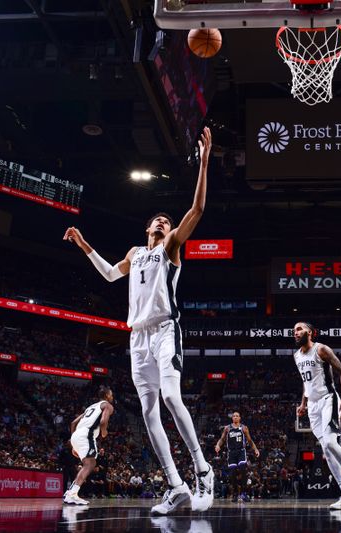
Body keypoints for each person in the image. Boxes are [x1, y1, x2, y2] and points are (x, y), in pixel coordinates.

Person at [63, 127, 214, 515]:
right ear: (147, 229)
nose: (163, 223)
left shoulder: (171, 249)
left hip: (165, 329)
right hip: (137, 338)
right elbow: (112, 275)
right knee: (148, 413)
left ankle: (202, 468)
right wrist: (84, 246)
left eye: (167, 221)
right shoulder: (134, 252)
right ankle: (176, 485)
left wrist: (205, 162)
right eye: (158, 220)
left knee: (170, 397)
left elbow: (196, 211)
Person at [293, 322, 341, 510]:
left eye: (299, 329)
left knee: (330, 443)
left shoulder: (321, 349)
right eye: (294, 330)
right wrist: (303, 403)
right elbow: (306, 382)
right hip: (312, 405)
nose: (295, 332)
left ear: (310, 332)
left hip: (328, 399)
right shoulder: (296, 356)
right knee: (326, 450)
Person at [63, 386, 115, 505]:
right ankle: (72, 494)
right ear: (107, 395)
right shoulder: (107, 405)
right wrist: (104, 432)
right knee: (90, 463)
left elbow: (73, 423)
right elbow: (103, 422)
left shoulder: (90, 407)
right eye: (111, 395)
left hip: (76, 435)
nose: (112, 397)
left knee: (88, 463)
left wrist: (73, 443)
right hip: (86, 434)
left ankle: (71, 491)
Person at [214, 411, 260, 502]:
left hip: (241, 451)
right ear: (232, 418)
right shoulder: (227, 428)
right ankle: (235, 493)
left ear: (239, 418)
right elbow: (222, 439)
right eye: (234, 416)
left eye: (237, 416)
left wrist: (255, 449)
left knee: (243, 469)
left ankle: (243, 493)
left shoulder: (244, 428)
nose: (235, 417)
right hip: (231, 452)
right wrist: (218, 445)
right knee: (233, 472)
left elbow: (250, 441)